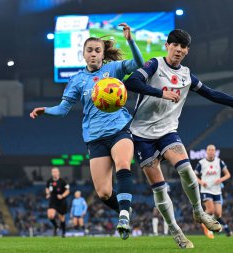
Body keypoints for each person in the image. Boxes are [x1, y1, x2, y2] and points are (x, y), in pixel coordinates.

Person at [30, 23, 178, 240]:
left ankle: (125, 215)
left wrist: (130, 40)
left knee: (123, 165)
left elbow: (140, 63)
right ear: (83, 55)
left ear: (102, 54)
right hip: (95, 137)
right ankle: (123, 210)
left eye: (97, 50)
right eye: (89, 51)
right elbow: (62, 110)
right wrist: (46, 110)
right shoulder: (77, 80)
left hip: (120, 129)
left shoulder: (114, 69)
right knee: (104, 193)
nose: (93, 54)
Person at [124, 29, 233, 248]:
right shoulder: (154, 65)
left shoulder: (186, 75)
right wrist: (161, 93)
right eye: (175, 45)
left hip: (167, 132)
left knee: (187, 170)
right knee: (160, 188)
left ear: (187, 51)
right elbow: (131, 83)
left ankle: (199, 211)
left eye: (183, 47)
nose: (179, 50)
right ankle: (176, 232)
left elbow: (213, 94)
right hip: (142, 135)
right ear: (167, 46)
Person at [195, 145, 233, 239]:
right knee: (210, 210)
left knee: (218, 214)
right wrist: (201, 182)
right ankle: (205, 224)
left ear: (215, 152)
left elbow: (228, 174)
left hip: (217, 191)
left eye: (213, 150)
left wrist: (221, 179)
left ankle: (205, 220)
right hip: (206, 190)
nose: (211, 151)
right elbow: (194, 176)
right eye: (209, 150)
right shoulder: (201, 163)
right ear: (206, 151)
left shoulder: (219, 162)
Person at [45, 167, 70, 237]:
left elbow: (68, 191)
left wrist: (62, 195)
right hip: (53, 200)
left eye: (56, 171)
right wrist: (48, 194)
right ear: (51, 173)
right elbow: (47, 188)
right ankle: (56, 226)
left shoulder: (63, 181)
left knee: (61, 217)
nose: (54, 173)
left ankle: (63, 232)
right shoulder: (49, 181)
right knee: (50, 215)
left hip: (61, 201)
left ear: (58, 172)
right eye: (53, 172)